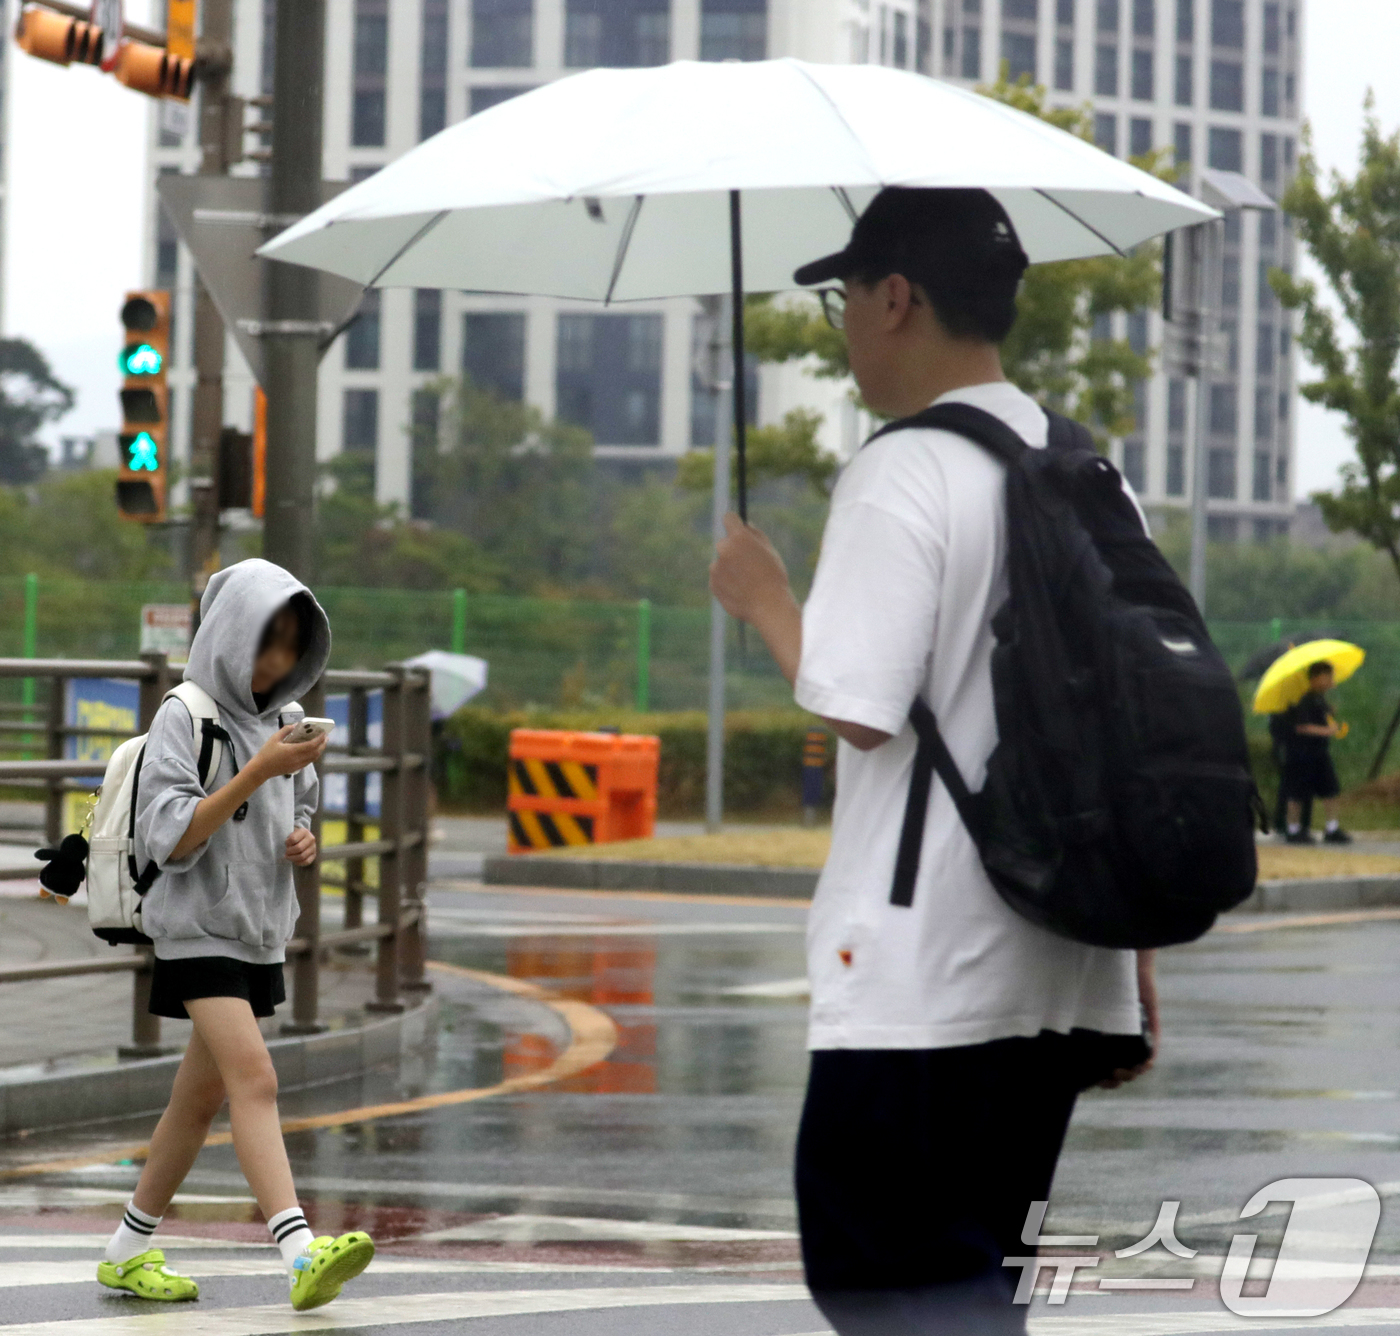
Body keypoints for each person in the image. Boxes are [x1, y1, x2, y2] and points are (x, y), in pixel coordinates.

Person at [710, 188, 1156, 1335]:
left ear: (894, 297)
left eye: (841, 297)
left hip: (921, 972)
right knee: (972, 1289)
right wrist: (1131, 965)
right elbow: (1132, 730)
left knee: (877, 1280)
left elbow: (857, 708)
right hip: (1062, 963)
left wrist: (765, 601)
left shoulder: (900, 471)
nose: (844, 323)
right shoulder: (1090, 473)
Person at [97, 559, 375, 1311]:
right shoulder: (183, 716)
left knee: (198, 1103)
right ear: (228, 634)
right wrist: (254, 775)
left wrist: (305, 839)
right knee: (257, 1080)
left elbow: (303, 806)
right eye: (263, 643)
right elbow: (171, 839)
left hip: (255, 931)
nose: (276, 662)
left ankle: (126, 1250)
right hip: (195, 929)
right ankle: (298, 1251)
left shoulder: (287, 722)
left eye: (289, 646)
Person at [1283, 660, 1350, 845]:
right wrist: (1326, 731)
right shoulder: (1304, 699)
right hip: (1302, 754)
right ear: (1316, 678)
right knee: (1297, 792)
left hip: (1320, 753)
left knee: (1331, 789)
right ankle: (1293, 829)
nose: (1330, 681)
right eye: (1327, 677)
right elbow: (1302, 727)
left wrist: (1330, 715)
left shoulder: (1320, 699)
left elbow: (1322, 718)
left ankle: (1332, 828)